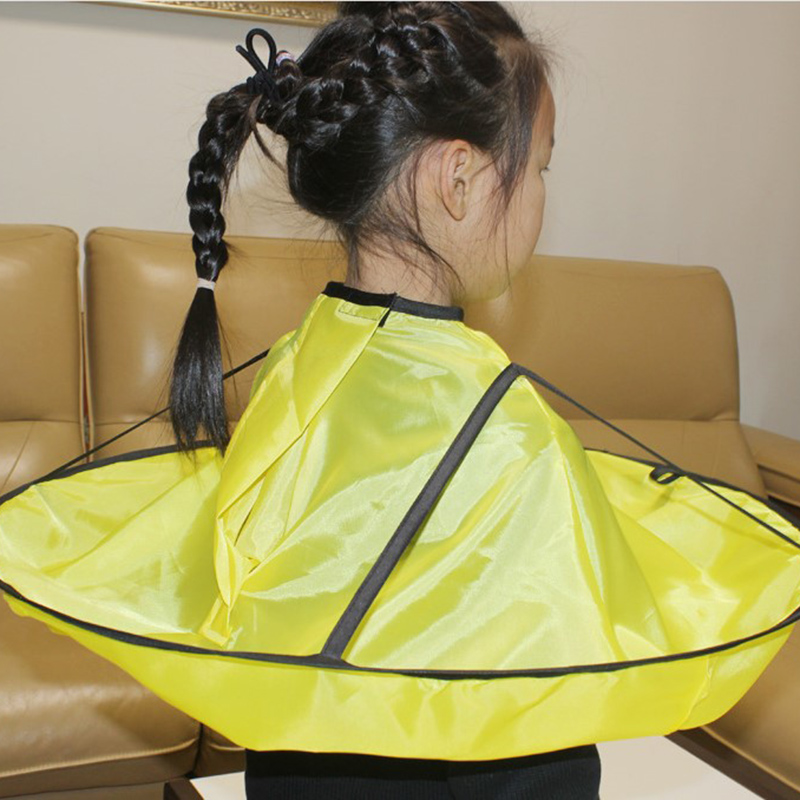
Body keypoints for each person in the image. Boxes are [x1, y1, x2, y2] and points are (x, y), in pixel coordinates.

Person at [1, 3, 798, 800]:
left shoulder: (297, 367)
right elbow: (537, 719)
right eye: (541, 167)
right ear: (459, 180)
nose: (542, 194)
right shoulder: (505, 436)